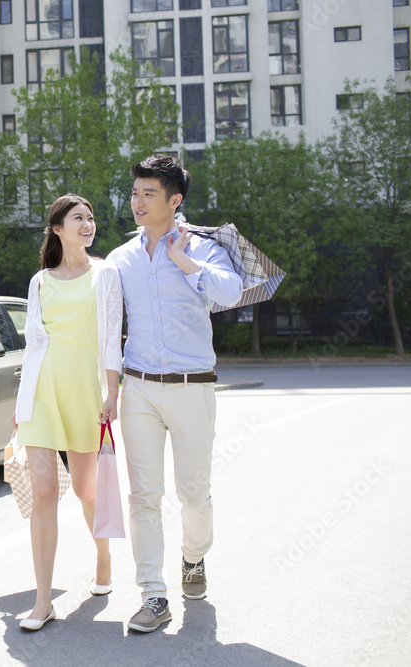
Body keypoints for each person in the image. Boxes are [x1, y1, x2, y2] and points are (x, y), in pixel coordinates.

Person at [106, 154, 242, 633]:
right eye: (135, 192)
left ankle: (193, 558)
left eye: (148, 194)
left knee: (193, 494)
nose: (137, 202)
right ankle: (153, 595)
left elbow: (231, 292)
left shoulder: (202, 247)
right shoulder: (120, 259)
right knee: (142, 494)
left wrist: (184, 261)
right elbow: (107, 326)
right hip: (138, 388)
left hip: (192, 387)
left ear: (174, 200)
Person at [13, 193, 124, 631]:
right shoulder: (40, 280)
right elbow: (33, 342)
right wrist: (21, 405)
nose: (87, 223)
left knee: (86, 491)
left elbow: (112, 333)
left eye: (91, 218)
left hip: (84, 390)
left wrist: (111, 392)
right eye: (78, 217)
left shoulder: (106, 274)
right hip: (41, 391)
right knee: (43, 492)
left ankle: (103, 558)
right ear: (57, 228)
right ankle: (44, 600)